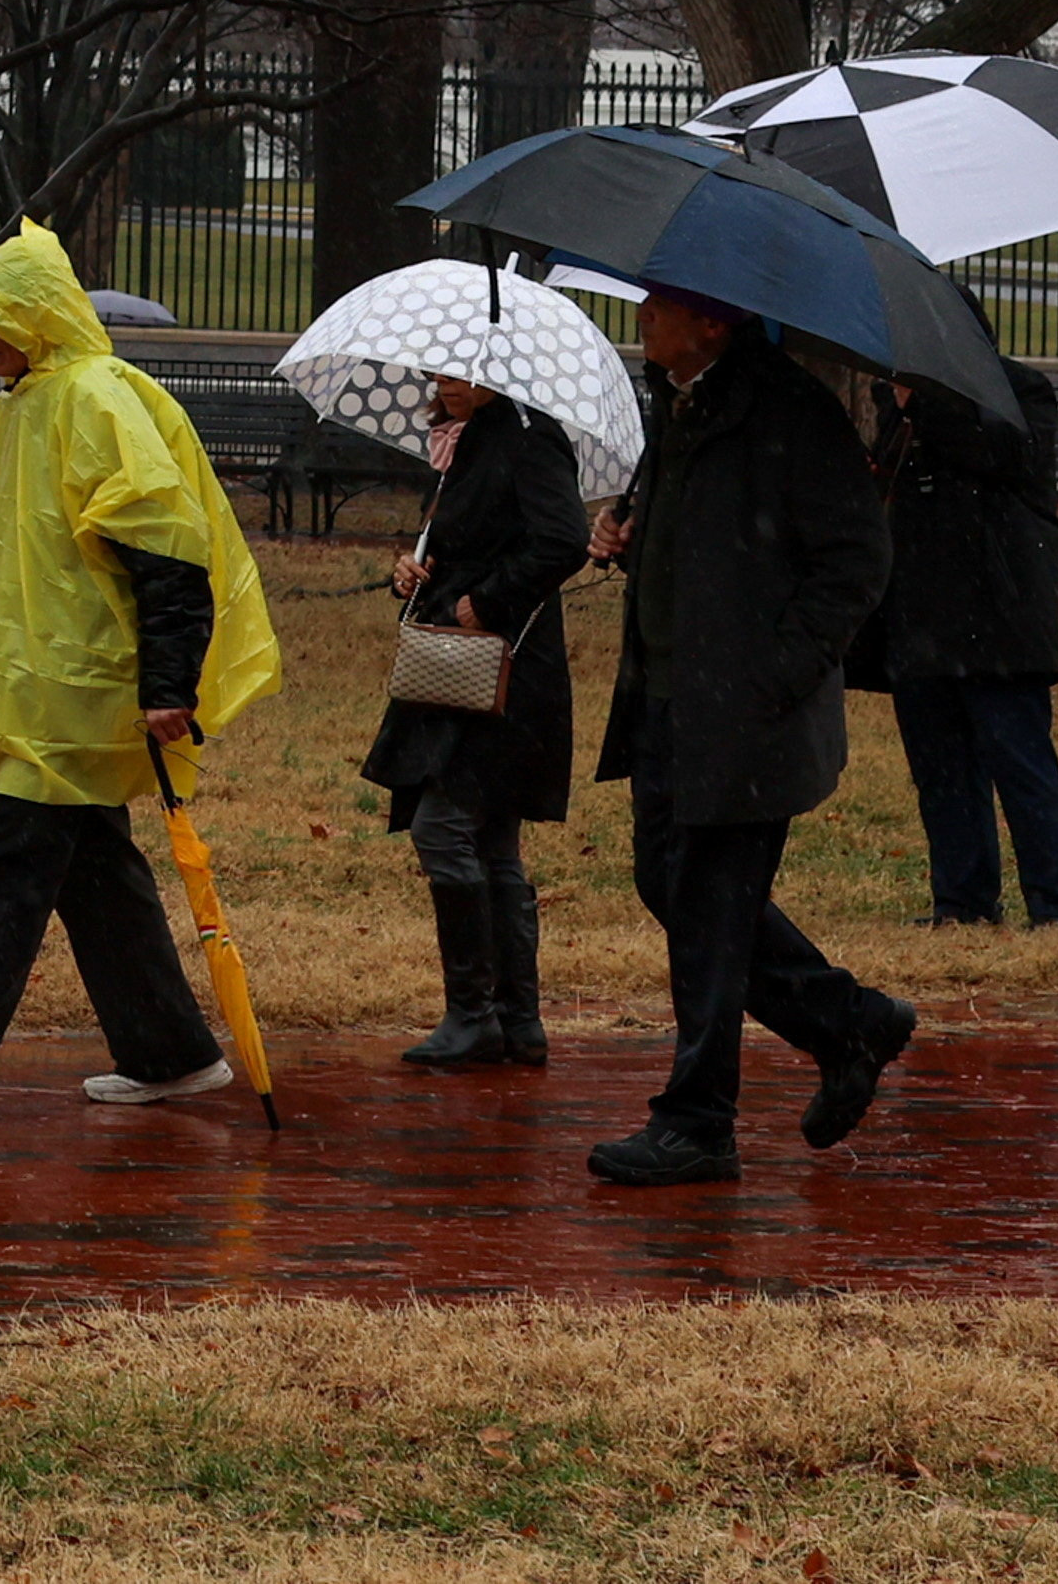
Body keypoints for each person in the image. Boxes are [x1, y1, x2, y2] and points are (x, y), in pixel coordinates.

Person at [0, 226, 280, 1117]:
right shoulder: (28, 404)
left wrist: (168, 682)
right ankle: (170, 1052)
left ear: (35, 319)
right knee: (96, 875)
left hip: (80, 691)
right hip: (51, 686)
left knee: (12, 867)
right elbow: (7, 536)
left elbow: (168, 550)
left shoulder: (94, 400)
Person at [584, 285, 913, 1187]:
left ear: (713, 322)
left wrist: (774, 674)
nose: (641, 316)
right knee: (676, 887)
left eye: (661, 306)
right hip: (669, 703)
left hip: (744, 717)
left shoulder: (786, 409)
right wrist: (632, 528)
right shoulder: (681, 399)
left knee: (711, 915)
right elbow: (705, 534)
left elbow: (856, 560)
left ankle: (698, 1121)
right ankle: (850, 1020)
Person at [367, 364, 585, 1068]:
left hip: (505, 672)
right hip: (466, 666)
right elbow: (473, 535)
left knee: (445, 828)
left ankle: (475, 1013)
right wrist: (416, 567)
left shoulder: (528, 436)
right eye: (437, 369)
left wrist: (484, 601)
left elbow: (560, 541)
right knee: (493, 844)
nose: (444, 380)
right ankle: (517, 1021)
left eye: (462, 370)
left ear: (499, 367)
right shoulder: (471, 437)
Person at [870, 354, 1058, 929]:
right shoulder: (889, 397)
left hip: (999, 614)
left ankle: (1055, 902)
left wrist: (926, 402)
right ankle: (961, 900)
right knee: (941, 768)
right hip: (921, 611)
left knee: (1019, 760)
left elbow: (1007, 456)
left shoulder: (1019, 390)